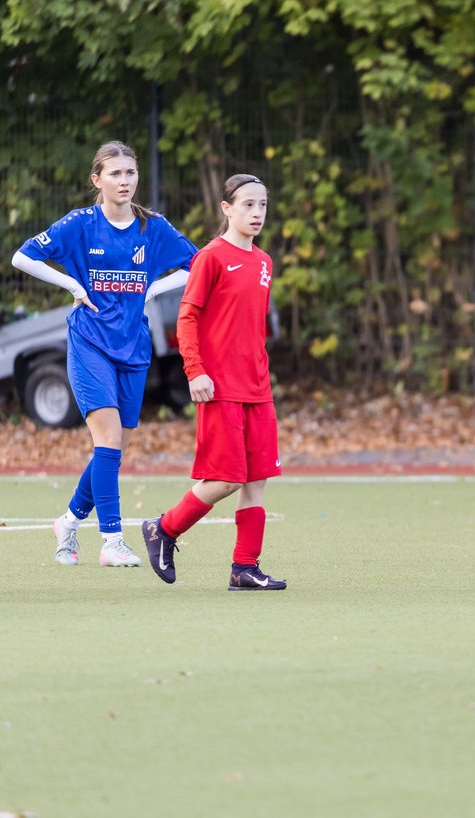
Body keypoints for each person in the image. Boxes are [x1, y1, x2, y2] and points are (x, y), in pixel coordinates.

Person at [11, 140, 197, 568]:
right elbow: (23, 257)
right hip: (89, 343)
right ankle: (112, 539)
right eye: (114, 173)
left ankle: (69, 521)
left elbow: (197, 264)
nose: (124, 180)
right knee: (109, 440)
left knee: (112, 450)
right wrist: (73, 287)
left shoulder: (154, 228)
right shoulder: (80, 223)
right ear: (97, 180)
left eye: (130, 173)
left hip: (133, 347)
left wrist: (154, 287)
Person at [141, 174, 286, 591]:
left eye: (262, 204)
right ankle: (163, 529)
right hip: (219, 387)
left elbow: (249, 328)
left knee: (256, 479)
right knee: (226, 479)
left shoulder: (264, 262)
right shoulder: (211, 258)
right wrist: (195, 371)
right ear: (226, 208)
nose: (257, 212)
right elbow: (187, 318)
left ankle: (244, 568)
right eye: (247, 205)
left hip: (257, 387)